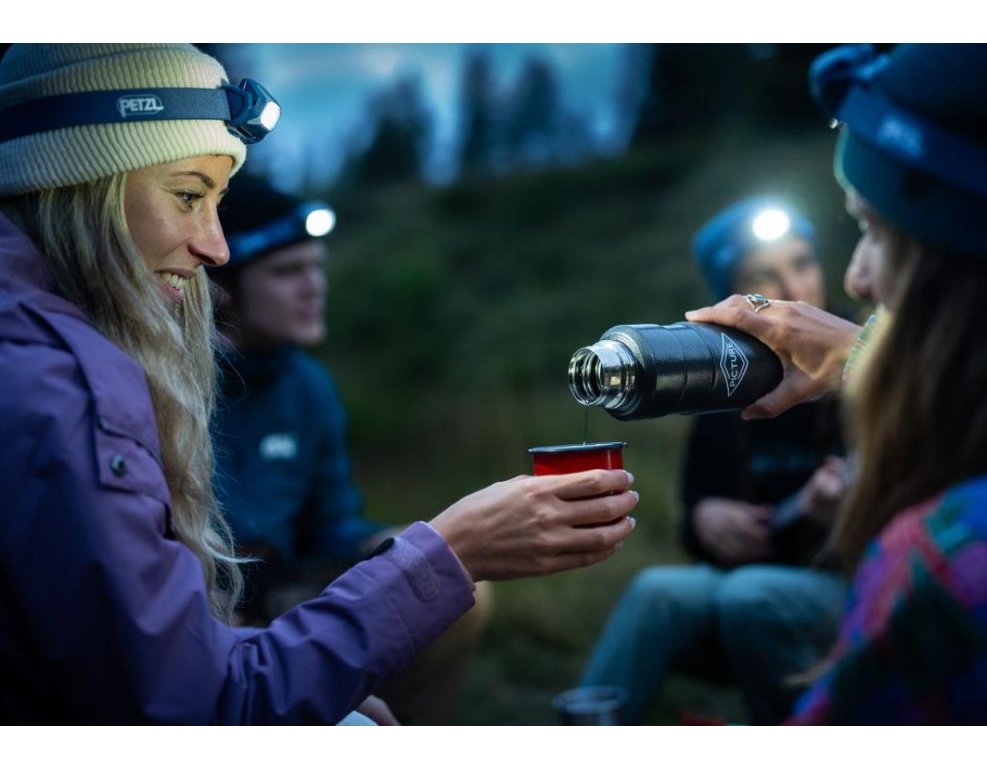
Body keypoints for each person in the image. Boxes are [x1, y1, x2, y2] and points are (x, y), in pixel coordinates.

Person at [0, 43, 638, 724]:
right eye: (187, 196)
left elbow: (315, 534)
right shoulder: (72, 385)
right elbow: (202, 705)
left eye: (217, 204)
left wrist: (400, 545)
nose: (214, 247)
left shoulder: (297, 387)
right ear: (83, 188)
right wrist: (450, 552)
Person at [686, 44, 987, 723]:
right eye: (763, 275)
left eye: (872, 230)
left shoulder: (952, 563)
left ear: (958, 253)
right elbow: (699, 502)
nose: (854, 279)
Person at [209, 173, 493, 724]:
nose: (314, 286)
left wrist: (390, 542)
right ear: (223, 282)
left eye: (316, 267)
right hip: (201, 609)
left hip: (281, 589)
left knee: (454, 583)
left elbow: (330, 525)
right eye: (288, 272)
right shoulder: (170, 380)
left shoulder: (307, 387)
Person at [578, 199, 848, 724]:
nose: (793, 289)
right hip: (748, 579)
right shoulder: (721, 376)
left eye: (802, 263)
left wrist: (847, 509)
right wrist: (704, 520)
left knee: (749, 596)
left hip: (851, 579)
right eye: (763, 277)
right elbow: (695, 507)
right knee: (657, 591)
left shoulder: (860, 357)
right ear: (732, 300)